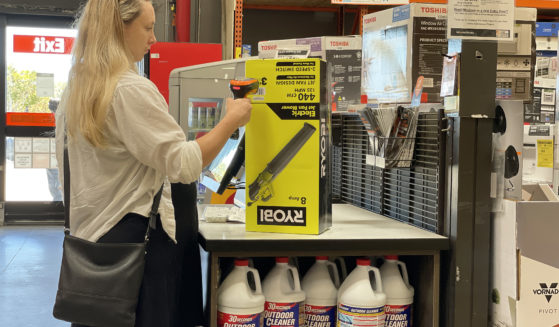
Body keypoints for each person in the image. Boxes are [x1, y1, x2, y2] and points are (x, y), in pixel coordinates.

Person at [54, 0, 251, 326]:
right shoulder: (129, 90)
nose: (154, 39)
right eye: (147, 28)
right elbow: (186, 164)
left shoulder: (78, 90)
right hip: (141, 250)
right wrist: (231, 120)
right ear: (120, 29)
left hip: (93, 246)